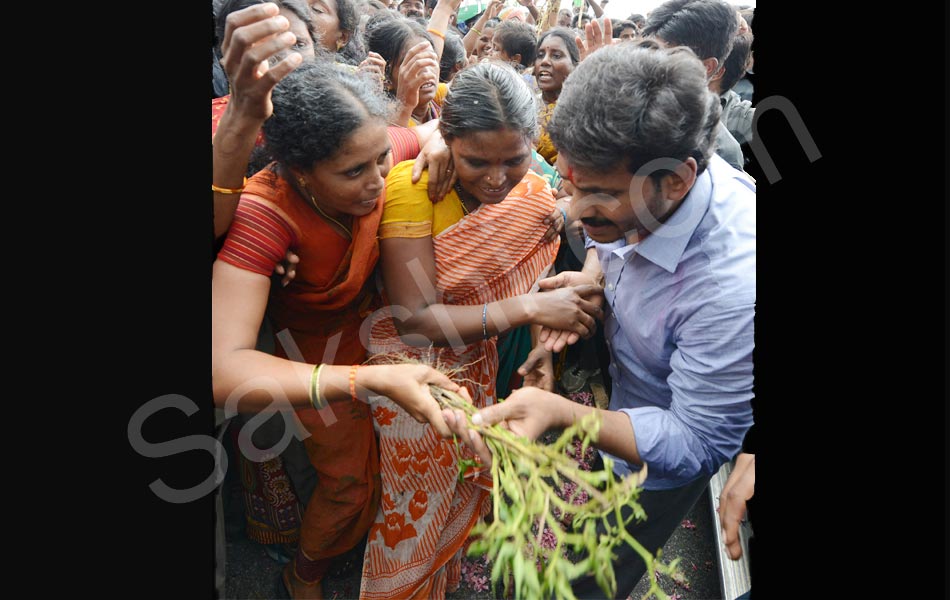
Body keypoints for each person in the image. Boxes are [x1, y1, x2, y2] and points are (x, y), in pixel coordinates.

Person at [446, 44, 755, 599]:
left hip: (662, 450)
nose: (572, 210)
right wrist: (594, 284)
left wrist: (562, 413)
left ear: (678, 180)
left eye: (598, 195)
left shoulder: (732, 288)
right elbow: (608, 243)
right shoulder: (633, 196)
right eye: (569, 181)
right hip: (626, 390)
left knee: (597, 573)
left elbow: (697, 439)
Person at [360, 61, 603, 599]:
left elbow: (541, 267)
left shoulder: (534, 183)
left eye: (512, 160)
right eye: (476, 161)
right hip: (415, 376)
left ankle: (444, 578)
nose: (496, 180)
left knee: (467, 486)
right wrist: (529, 311)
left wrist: (540, 343)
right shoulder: (414, 186)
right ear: (446, 138)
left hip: (489, 358)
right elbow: (416, 321)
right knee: (415, 505)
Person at [211, 59, 449, 599]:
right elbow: (222, 367)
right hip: (310, 354)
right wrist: (363, 382)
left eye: (381, 160)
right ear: (298, 171)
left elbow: (428, 130)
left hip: (377, 332)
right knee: (347, 483)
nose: (376, 181)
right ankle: (304, 574)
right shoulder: (264, 213)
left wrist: (438, 146)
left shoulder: (372, 146)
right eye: (353, 173)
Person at [641, 0, 746, 171]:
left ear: (706, 67)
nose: (651, 64)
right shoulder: (628, 106)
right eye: (649, 51)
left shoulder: (723, 154)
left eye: (666, 57)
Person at [533, 28, 579, 165]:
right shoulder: (522, 106)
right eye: (540, 55)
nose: (544, 62)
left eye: (556, 56)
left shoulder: (582, 111)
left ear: (575, 65)